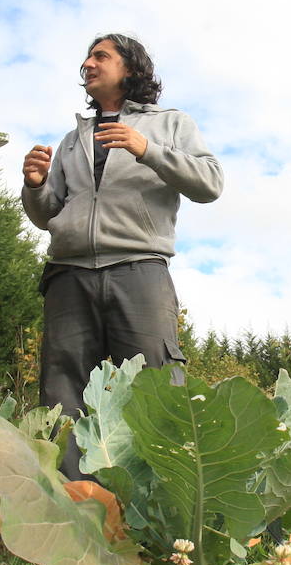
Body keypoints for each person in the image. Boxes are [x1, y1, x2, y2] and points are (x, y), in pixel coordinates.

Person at [22, 33, 222, 479]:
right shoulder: (73, 140)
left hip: (140, 269)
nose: (88, 64)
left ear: (130, 68)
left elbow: (210, 183)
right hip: (68, 275)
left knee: (156, 388)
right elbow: (47, 214)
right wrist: (35, 184)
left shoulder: (171, 124)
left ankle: (163, 511)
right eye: (87, 57)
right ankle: (70, 507)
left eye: (100, 56)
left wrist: (146, 150)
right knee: (62, 395)